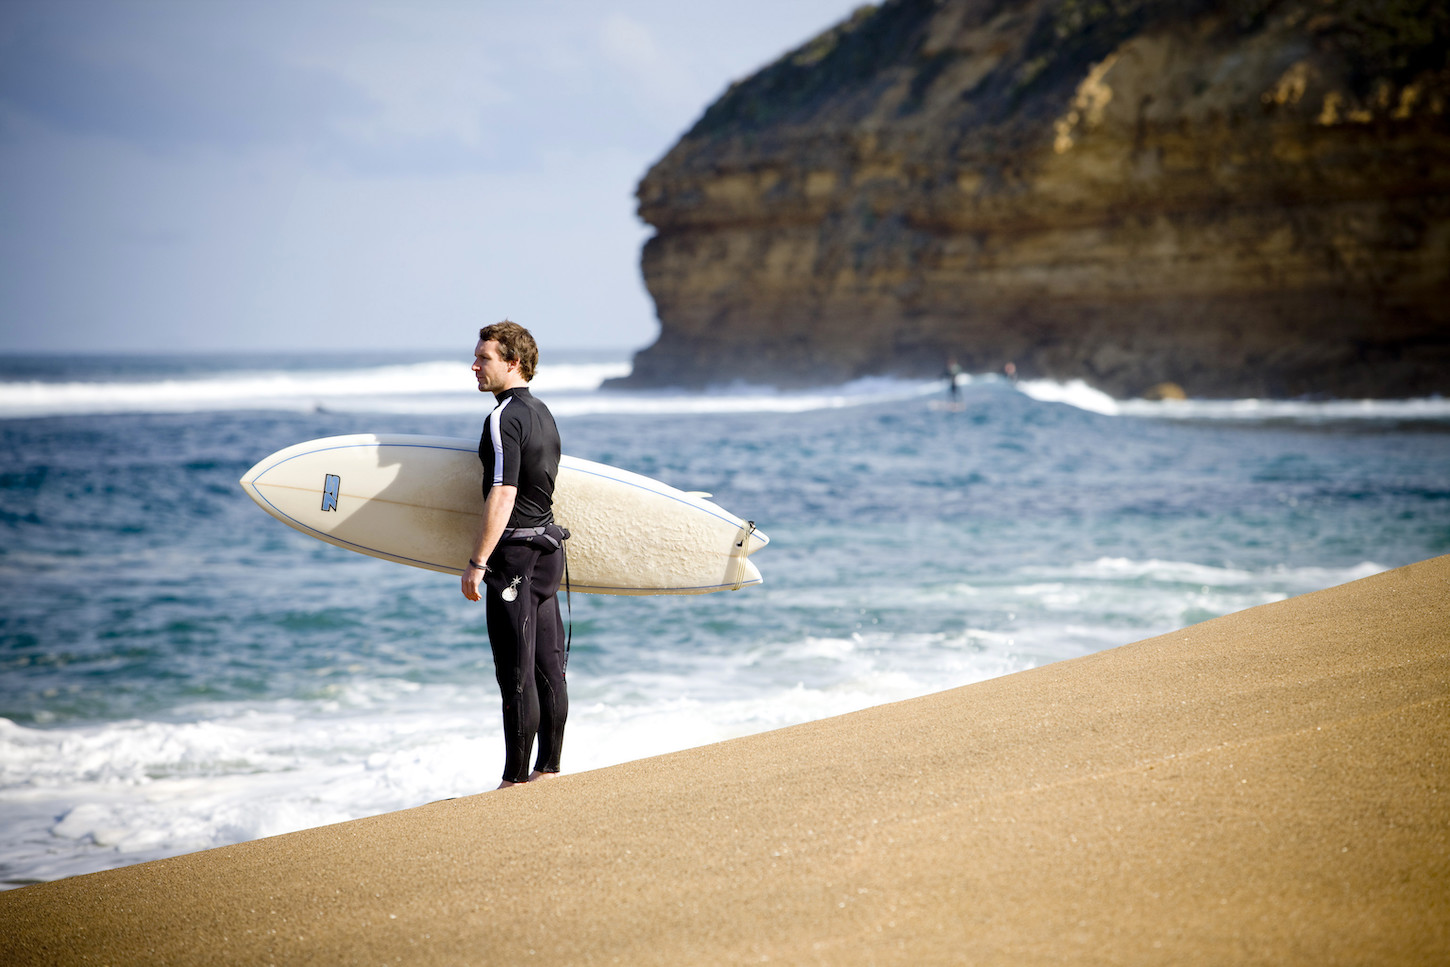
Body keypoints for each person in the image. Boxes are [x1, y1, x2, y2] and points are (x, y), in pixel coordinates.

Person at [461, 321, 569, 788]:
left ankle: (513, 780)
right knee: (549, 665)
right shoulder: (543, 412)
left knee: (516, 671)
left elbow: (503, 491)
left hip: (515, 560)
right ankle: (549, 769)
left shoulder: (503, 417)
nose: (475, 366)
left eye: (484, 359)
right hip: (548, 551)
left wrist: (477, 562)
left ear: (513, 363)